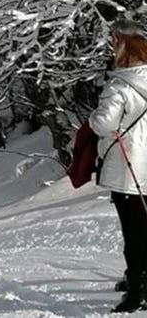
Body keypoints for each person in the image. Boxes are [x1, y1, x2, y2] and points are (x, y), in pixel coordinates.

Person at [90, 19, 147, 313]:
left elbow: (103, 124)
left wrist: (91, 118)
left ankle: (137, 291)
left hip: (130, 171)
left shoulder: (119, 85)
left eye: (115, 43)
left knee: (134, 232)